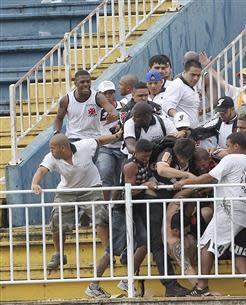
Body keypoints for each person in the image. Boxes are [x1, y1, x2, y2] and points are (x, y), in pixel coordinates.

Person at [174, 133, 246, 296]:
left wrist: (184, 182)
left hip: (229, 209)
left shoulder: (231, 159)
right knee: (239, 250)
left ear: (235, 146)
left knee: (207, 245)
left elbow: (208, 177)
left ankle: (201, 287)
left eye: (228, 145)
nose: (225, 149)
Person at [31, 132, 123, 270]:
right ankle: (58, 254)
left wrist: (117, 136)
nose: (50, 150)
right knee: (56, 220)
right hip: (67, 190)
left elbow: (100, 140)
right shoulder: (51, 157)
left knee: (101, 218)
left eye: (52, 148)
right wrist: (35, 183)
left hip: (91, 187)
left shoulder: (85, 146)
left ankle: (107, 254)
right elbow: (41, 171)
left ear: (63, 148)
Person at [85, 139, 158, 298]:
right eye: (144, 156)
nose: (146, 158)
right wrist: (146, 184)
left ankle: (126, 280)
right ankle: (93, 285)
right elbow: (129, 192)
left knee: (145, 243)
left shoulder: (143, 163)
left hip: (134, 209)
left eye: (148, 156)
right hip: (122, 209)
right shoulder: (131, 166)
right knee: (112, 250)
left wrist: (151, 180)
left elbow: (148, 178)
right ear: (136, 153)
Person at [53, 70, 119, 141]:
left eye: (88, 81)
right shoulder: (66, 100)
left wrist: (113, 115)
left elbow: (112, 110)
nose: (86, 84)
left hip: (93, 138)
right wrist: (56, 132)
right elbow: (59, 118)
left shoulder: (98, 97)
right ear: (75, 83)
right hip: (72, 137)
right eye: (82, 82)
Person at [96, 80, 126, 201]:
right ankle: (104, 206)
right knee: (105, 172)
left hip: (121, 147)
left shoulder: (123, 107)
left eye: (111, 93)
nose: (108, 96)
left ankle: (116, 206)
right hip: (105, 147)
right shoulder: (96, 110)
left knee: (120, 178)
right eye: (105, 93)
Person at [162, 59, 202, 127]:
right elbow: (166, 105)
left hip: (193, 131)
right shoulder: (177, 84)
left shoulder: (192, 86)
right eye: (193, 75)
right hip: (181, 131)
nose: (196, 78)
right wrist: (179, 117)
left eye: (198, 75)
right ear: (185, 72)